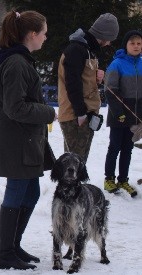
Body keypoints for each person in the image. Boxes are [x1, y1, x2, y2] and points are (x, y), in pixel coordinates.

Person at [0, 10, 56, 271]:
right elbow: (14, 107)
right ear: (32, 34)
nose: (46, 38)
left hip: (25, 140)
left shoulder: (19, 60)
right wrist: (48, 112)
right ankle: (5, 254)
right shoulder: (16, 62)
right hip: (17, 142)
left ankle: (13, 246)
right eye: (44, 33)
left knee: (31, 191)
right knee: (17, 192)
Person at [57, 13, 119, 164]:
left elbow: (82, 79)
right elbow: (72, 83)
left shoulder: (87, 49)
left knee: (78, 162)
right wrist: (80, 113)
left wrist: (95, 75)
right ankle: (72, 188)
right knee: (74, 165)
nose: (109, 43)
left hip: (84, 114)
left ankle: (76, 187)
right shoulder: (76, 50)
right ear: (104, 35)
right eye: (110, 39)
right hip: (76, 116)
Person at [102, 29, 142, 197]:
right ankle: (109, 178)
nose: (136, 46)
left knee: (128, 148)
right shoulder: (117, 64)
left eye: (139, 43)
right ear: (125, 45)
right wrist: (119, 112)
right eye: (132, 43)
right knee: (115, 147)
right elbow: (110, 90)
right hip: (119, 114)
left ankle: (123, 179)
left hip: (136, 115)